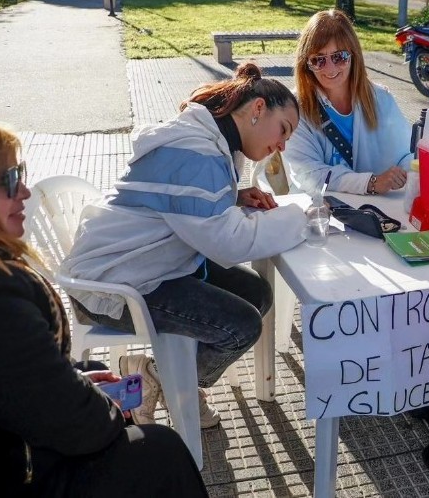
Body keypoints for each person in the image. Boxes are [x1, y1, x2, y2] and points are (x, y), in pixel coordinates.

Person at [0, 114, 209, 497]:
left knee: (93, 371)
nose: (24, 191)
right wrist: (103, 408)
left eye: (20, 173)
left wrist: (78, 383)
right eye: (10, 180)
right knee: (158, 449)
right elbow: (78, 426)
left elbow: (9, 378)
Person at [62, 62, 307, 427]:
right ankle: (162, 378)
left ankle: (163, 376)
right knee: (241, 325)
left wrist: (234, 197)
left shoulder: (210, 139)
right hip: (113, 284)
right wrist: (302, 216)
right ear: (258, 109)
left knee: (257, 292)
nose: (282, 145)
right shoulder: (197, 152)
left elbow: (178, 205)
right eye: (283, 130)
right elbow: (229, 242)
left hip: (148, 264)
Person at [282, 8, 414, 197]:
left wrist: (406, 176)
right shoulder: (295, 109)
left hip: (380, 211)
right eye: (318, 60)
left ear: (354, 56)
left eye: (339, 57)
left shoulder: (381, 99)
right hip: (322, 212)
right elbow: (308, 174)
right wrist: (371, 183)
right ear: (306, 64)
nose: (330, 67)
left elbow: (407, 155)